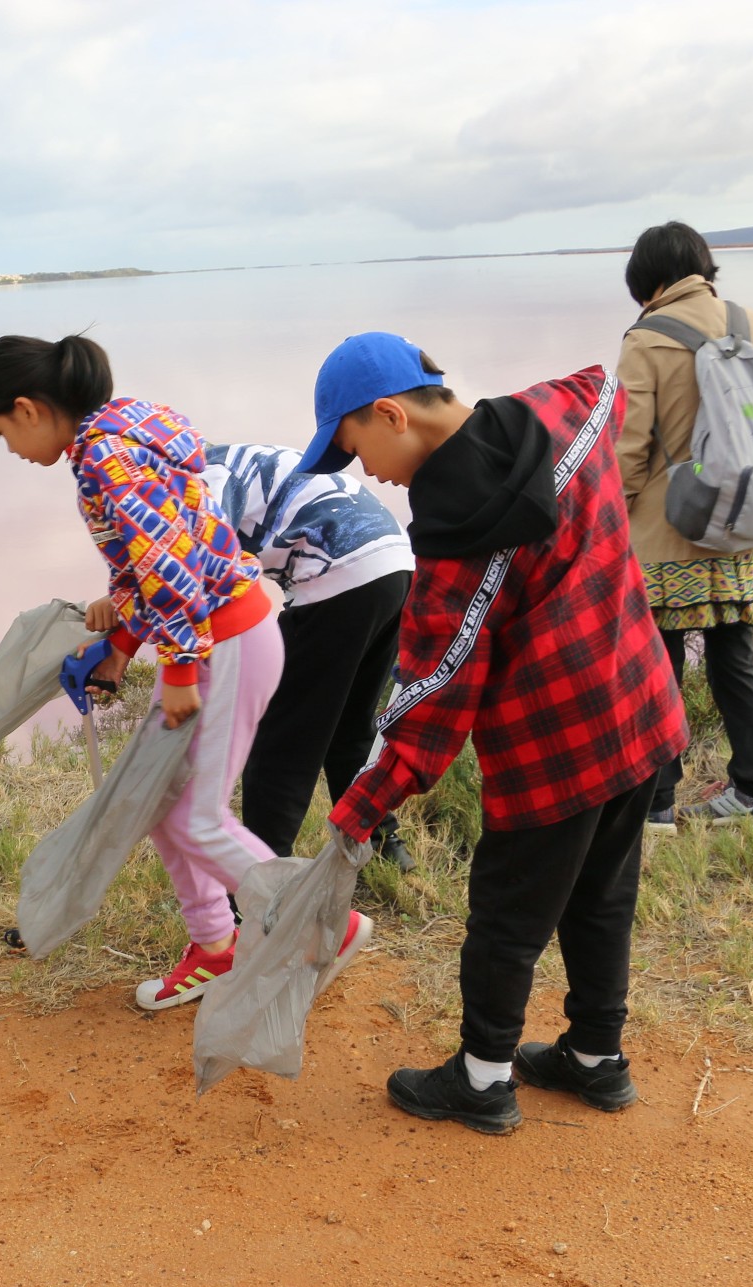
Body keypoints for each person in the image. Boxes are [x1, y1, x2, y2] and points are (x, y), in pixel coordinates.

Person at [303, 333, 687, 1134]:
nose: (365, 472)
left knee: (507, 916)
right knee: (602, 895)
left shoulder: (455, 540)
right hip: (639, 704)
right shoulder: (567, 413)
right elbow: (616, 396)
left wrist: (359, 808)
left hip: (553, 750)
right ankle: (594, 1059)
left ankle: (482, 1080)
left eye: (356, 449)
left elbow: (433, 694)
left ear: (389, 414)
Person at [0, 334, 372, 1012]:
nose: (9, 448)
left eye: (1, 431)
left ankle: (321, 926)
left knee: (202, 819)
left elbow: (172, 570)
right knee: (164, 808)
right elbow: (159, 550)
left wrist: (180, 669)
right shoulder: (126, 426)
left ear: (28, 408)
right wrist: (123, 638)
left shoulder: (102, 457)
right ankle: (215, 944)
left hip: (226, 642)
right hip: (225, 634)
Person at [617, 221, 753, 831]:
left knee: (660, 664)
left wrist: (612, 513)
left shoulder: (647, 337)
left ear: (650, 281)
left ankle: (658, 803)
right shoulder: (751, 322)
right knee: (734, 655)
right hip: (747, 519)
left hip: (674, 529)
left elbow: (629, 445)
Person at [201, 442, 416, 870]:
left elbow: (205, 561)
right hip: (394, 567)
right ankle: (382, 839)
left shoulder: (206, 476)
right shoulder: (243, 456)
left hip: (338, 574)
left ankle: (261, 879)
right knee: (351, 726)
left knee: (282, 741)